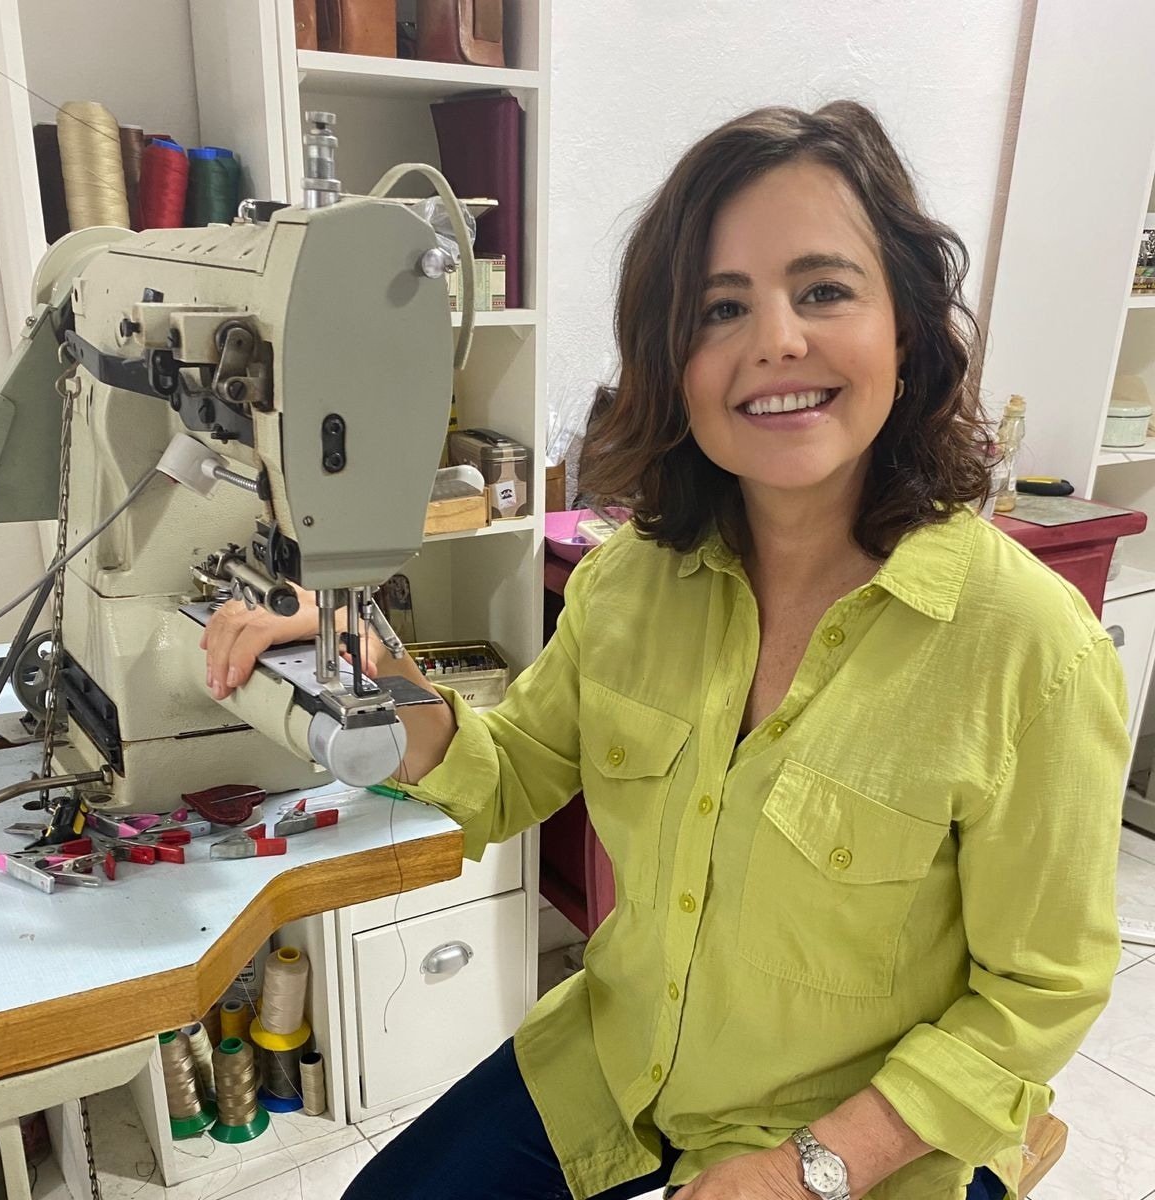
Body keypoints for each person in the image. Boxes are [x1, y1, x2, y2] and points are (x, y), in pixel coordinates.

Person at [201, 101, 1130, 1200]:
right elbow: (503, 781)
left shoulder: (1029, 650)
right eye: (719, 309)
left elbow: (1039, 992)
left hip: (872, 1136)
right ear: (674, 364)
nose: (775, 340)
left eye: (824, 290)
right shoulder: (628, 582)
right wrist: (356, 640)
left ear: (908, 328)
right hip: (620, 1056)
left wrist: (808, 1169)